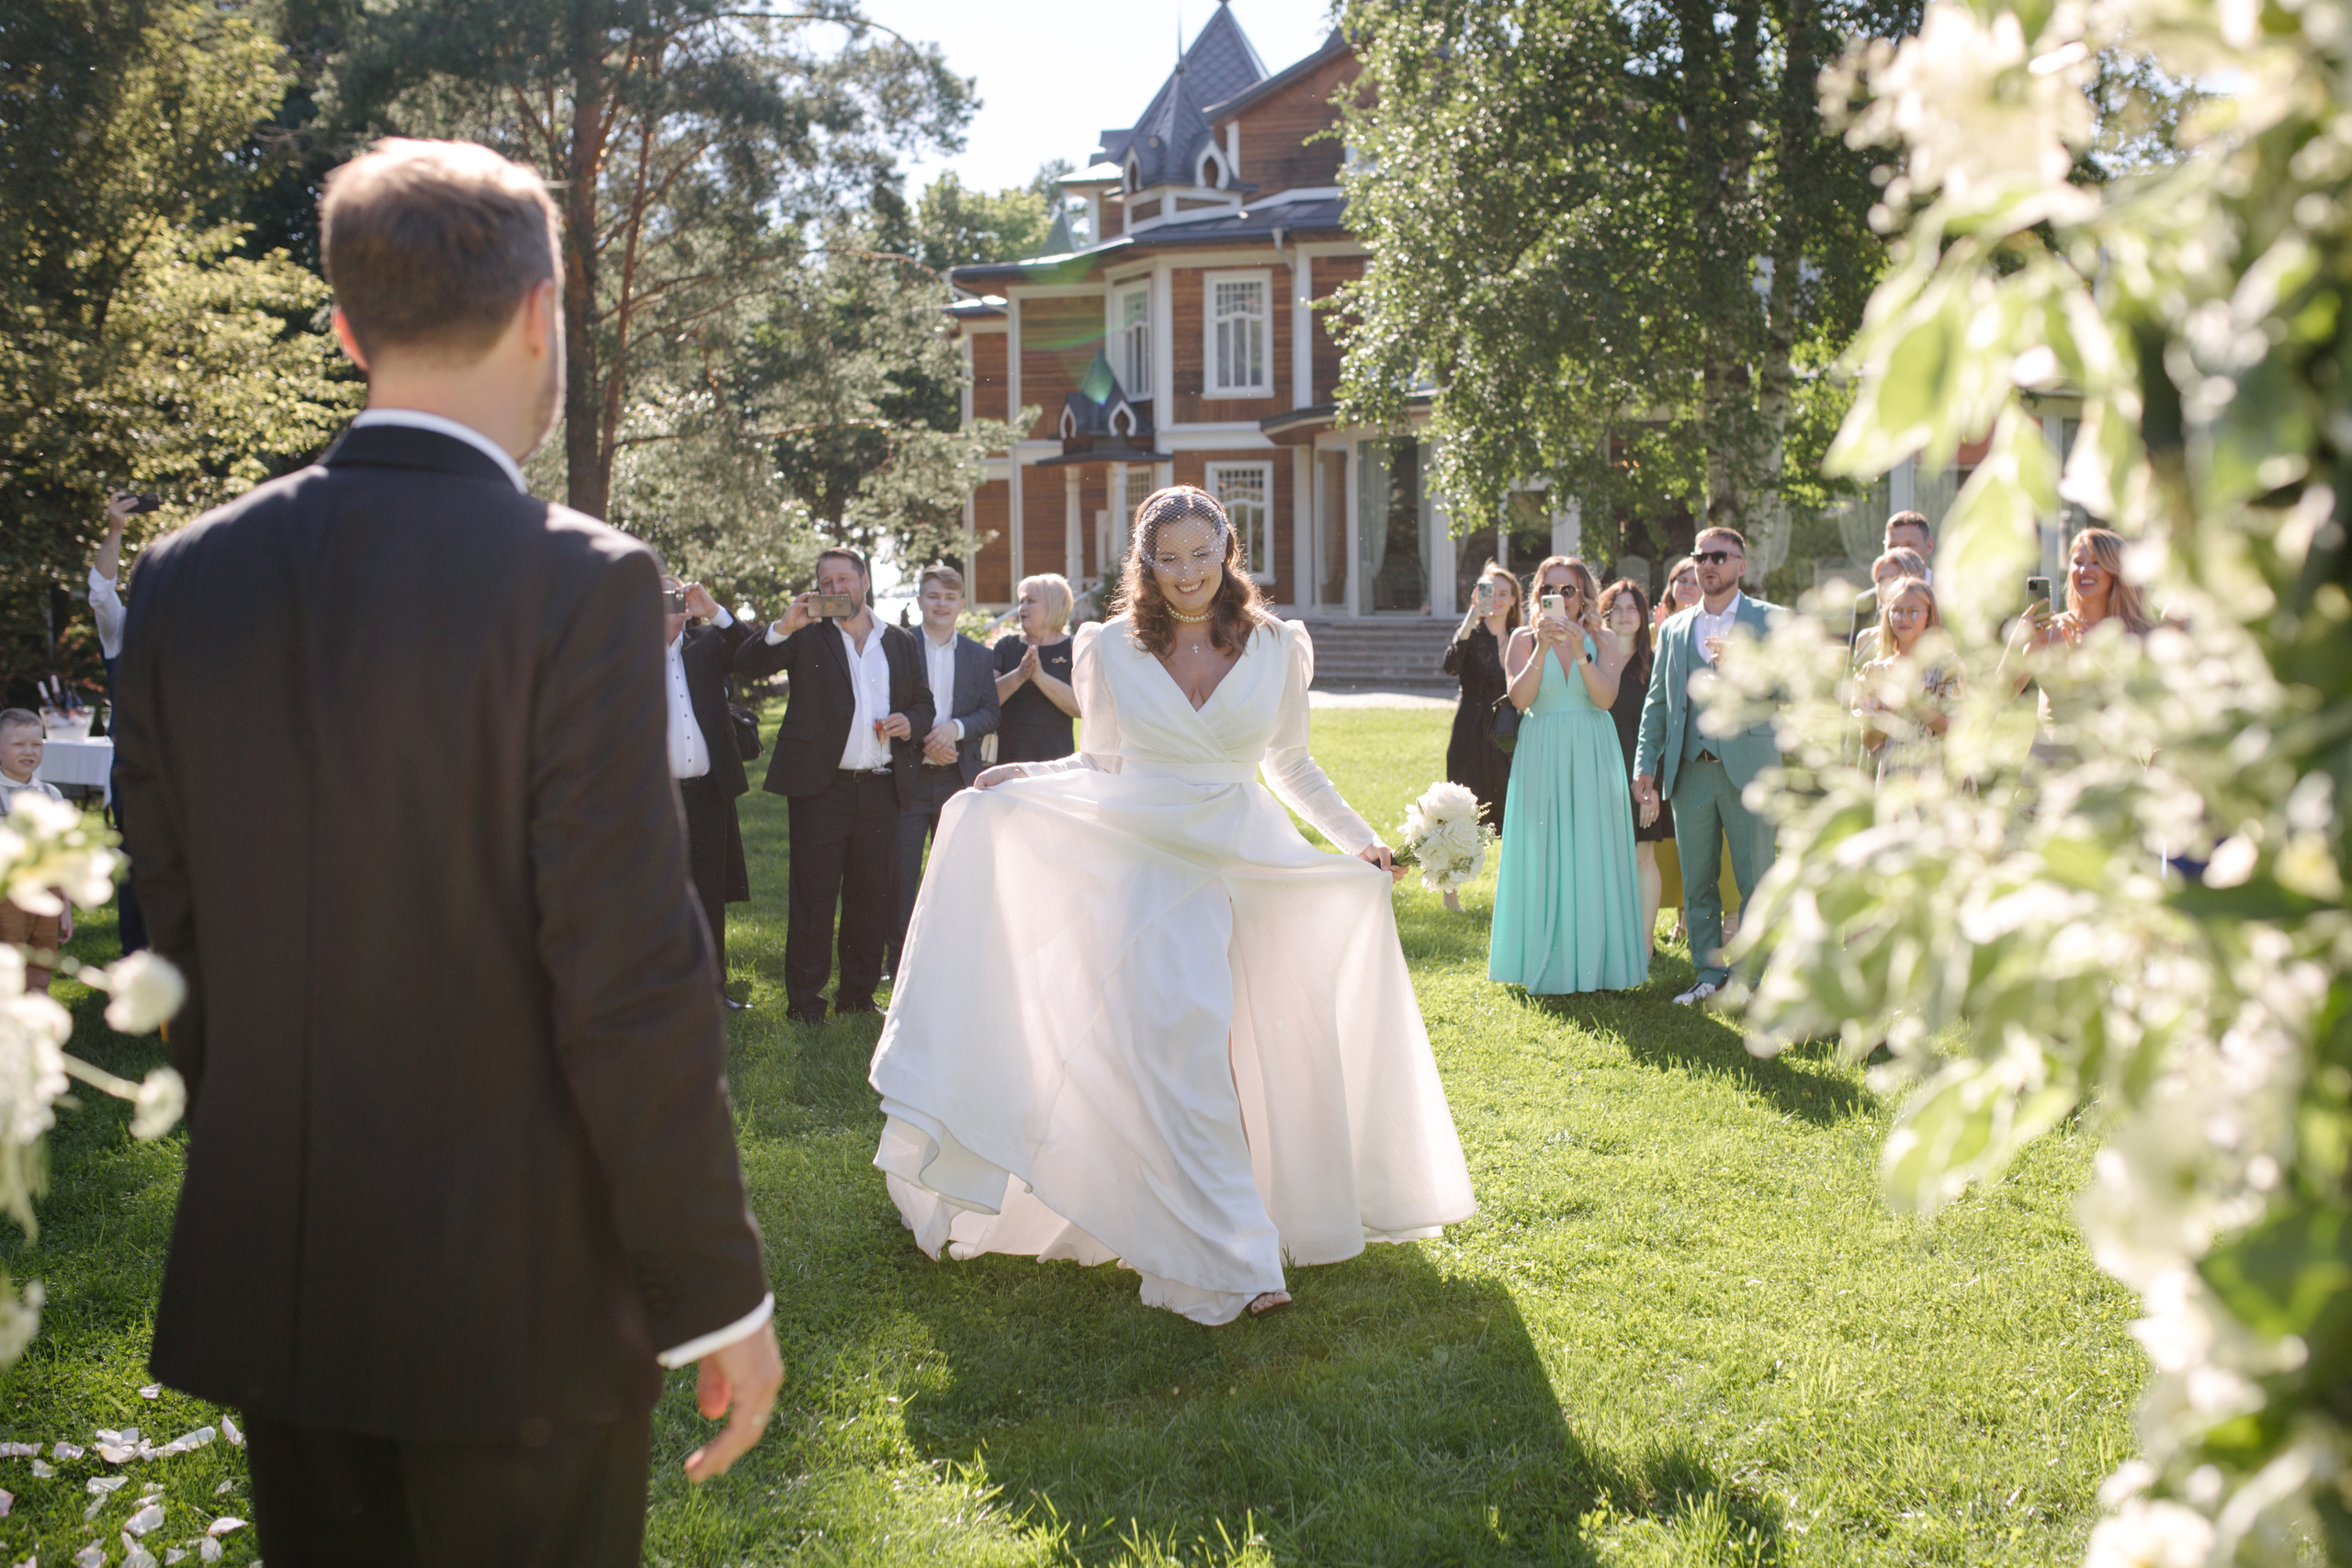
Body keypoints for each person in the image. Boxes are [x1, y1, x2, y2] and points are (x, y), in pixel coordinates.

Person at [109, 138, 779, 1565]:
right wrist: (716, 1289)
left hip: (288, 1275)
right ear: (544, 310)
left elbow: (166, 932)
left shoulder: (183, 575)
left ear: (345, 327)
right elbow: (628, 969)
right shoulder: (579, 580)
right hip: (519, 1307)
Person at [868, 485, 1475, 1325]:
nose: (1187, 573)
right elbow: (1105, 762)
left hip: (1245, 857)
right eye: (1169, 557)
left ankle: (1212, 1212)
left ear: (1227, 549)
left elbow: (1291, 764)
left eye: (1201, 553)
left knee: (1252, 1048)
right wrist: (1027, 777)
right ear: (1144, 565)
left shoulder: (1274, 646)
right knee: (1183, 1041)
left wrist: (1357, 841)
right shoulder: (1109, 646)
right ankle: (1236, 1256)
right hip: (1145, 862)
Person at [735, 546, 933, 1027]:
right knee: (813, 896)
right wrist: (784, 625)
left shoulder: (901, 641)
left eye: (844, 579)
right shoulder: (805, 636)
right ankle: (805, 1003)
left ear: (865, 582)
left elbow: (923, 704)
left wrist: (909, 721)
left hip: (882, 787)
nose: (836, 589)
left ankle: (858, 996)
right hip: (820, 789)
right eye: (826, 583)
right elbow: (745, 665)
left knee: (870, 897)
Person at [1633, 525, 1784, 1007]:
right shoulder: (1675, 627)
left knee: (1756, 877)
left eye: (1721, 555)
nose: (1709, 564)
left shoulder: (1771, 621)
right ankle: (1707, 972)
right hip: (1690, 771)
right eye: (1701, 555)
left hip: (1750, 767)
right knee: (1697, 879)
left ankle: (1755, 978)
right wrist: (1645, 767)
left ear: (1742, 564)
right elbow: (1657, 702)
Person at [1487, 557, 1646, 993]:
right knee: (1542, 846)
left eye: (1568, 590)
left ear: (1584, 597)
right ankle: (1541, 955)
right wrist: (1540, 648)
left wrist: (1580, 652)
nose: (1558, 598)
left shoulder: (1605, 639)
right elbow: (1520, 699)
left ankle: (1598, 961)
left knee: (1590, 845)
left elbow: (1605, 699)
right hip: (1541, 747)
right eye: (1547, 590)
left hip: (1591, 747)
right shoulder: (1522, 637)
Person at [889, 563, 1001, 979]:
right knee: (900, 872)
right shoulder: (898, 646)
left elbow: (990, 713)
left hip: (958, 777)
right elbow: (885, 703)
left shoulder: (978, 654)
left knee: (956, 871)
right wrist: (925, 742)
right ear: (919, 600)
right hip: (908, 777)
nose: (941, 604)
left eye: (950, 597)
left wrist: (953, 731)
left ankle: (951, 957)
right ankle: (897, 962)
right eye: (933, 595)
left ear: (961, 603)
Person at [664, 572, 756, 1008]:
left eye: (676, 592)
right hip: (653, 797)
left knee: (708, 893)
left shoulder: (706, 645)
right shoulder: (625, 651)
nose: (672, 601)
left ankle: (712, 991)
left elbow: (752, 654)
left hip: (707, 791)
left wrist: (713, 610)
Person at [1439, 560, 1521, 912]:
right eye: (1490, 592)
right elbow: (1451, 664)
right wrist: (1472, 616)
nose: (1497, 599)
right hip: (1472, 729)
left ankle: (1515, 891)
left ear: (1515, 599)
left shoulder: (1523, 636)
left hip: (1512, 733)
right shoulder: (1472, 633)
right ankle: (1450, 891)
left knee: (1514, 808)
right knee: (1464, 809)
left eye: (1504, 593)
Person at [1600, 580, 1669, 960]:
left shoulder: (1656, 664)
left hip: (1641, 776)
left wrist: (1650, 784)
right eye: (1617, 608)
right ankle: (1609, 938)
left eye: (1632, 608)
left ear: (1644, 617)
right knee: (1604, 857)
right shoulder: (1592, 658)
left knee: (1643, 856)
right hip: (1599, 771)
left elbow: (1664, 727)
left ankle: (1644, 944)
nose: (1625, 615)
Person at [90, 491, 147, 953]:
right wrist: (114, 531)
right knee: (135, 867)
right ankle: (137, 962)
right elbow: (99, 592)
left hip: (191, 768)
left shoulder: (194, 632)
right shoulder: (120, 629)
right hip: (135, 768)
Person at [1855, 577, 1961, 784]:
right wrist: (1889, 707)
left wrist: (1913, 702)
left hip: (1937, 778)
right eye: (1896, 611)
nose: (1904, 618)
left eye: (1913, 611)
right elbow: (1869, 741)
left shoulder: (1947, 667)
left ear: (1929, 616)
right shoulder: (1876, 671)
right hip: (1895, 777)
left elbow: (1956, 731)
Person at [0, 710, 72, 993]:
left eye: (36, 744)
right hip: (7, 897)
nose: (28, 751)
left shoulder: (50, 795)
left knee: (41, 968)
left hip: (47, 894)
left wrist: (64, 905)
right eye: (18, 744)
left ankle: (38, 1027)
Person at [992, 573, 1080, 763]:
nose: (1022, 608)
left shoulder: (1073, 648)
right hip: (1008, 759)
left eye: (1031, 601)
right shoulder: (1006, 646)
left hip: (1056, 761)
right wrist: (1019, 675)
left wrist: (1040, 677)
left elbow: (1080, 707)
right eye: (1021, 601)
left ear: (1054, 605)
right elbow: (986, 700)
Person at [1849, 546, 1931, 664]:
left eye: (1894, 579)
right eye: (1881, 580)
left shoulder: (1934, 640)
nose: (1886, 585)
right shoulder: (1866, 638)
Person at [1657, 556, 1701, 627]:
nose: (1687, 587)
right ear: (1671, 584)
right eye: (1683, 581)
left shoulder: (1709, 627)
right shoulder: (1654, 628)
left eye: (1695, 583)